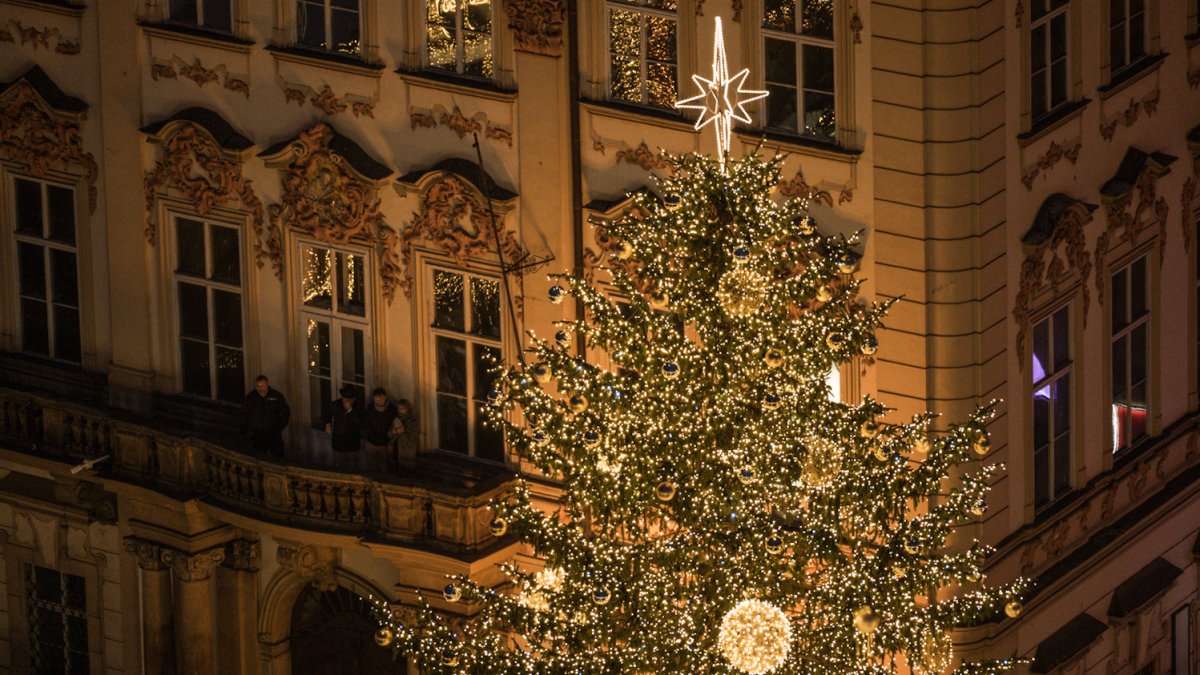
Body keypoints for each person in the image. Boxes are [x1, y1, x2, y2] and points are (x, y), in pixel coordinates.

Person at [240, 375, 290, 457]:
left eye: (262, 386)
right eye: (258, 386)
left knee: (277, 458)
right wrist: (245, 431)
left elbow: (285, 413)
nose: (261, 389)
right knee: (259, 458)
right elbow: (244, 415)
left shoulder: (277, 396)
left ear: (267, 384)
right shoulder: (251, 397)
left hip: (273, 435)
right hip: (257, 435)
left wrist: (278, 427)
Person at [324, 386, 364, 469]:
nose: (346, 401)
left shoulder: (359, 407)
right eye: (344, 398)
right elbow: (327, 413)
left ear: (354, 399)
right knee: (338, 466)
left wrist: (350, 410)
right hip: (338, 442)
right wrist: (328, 424)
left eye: (349, 399)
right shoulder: (336, 404)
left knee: (352, 467)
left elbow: (360, 422)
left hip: (352, 444)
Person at [361, 387, 397, 471]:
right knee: (371, 467)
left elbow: (394, 424)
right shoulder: (370, 409)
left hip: (385, 444)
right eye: (376, 400)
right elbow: (366, 424)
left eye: (381, 399)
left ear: (385, 397)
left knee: (384, 467)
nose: (379, 402)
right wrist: (371, 436)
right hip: (371, 443)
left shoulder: (391, 410)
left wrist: (389, 438)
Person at [391, 399, 418, 467]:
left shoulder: (412, 421)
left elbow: (412, 436)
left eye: (403, 408)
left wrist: (401, 432)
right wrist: (393, 432)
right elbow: (390, 432)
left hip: (406, 448)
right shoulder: (397, 419)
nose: (400, 410)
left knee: (405, 466)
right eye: (399, 408)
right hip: (396, 446)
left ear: (408, 408)